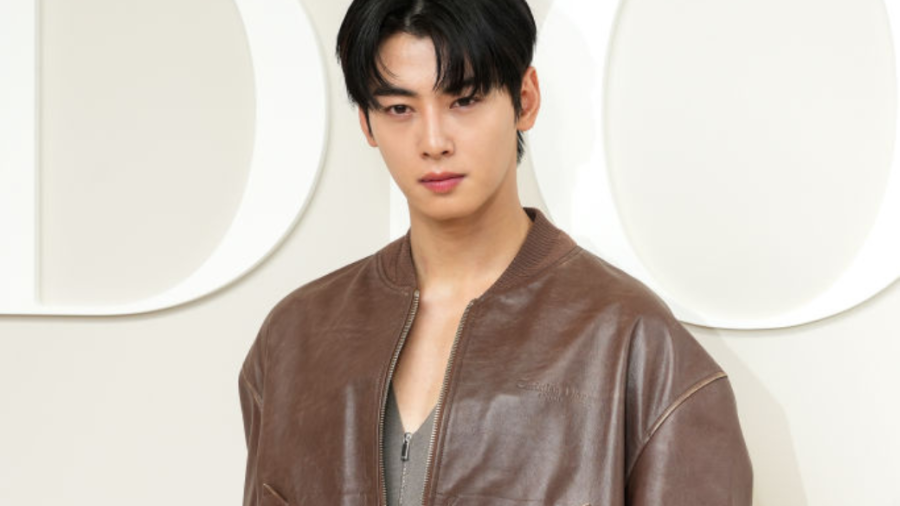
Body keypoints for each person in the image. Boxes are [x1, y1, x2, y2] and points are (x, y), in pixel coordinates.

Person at [239, 0, 753, 504]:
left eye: (464, 100)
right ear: (366, 123)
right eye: (399, 109)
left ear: (524, 100)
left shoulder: (637, 345)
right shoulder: (293, 340)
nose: (433, 141)